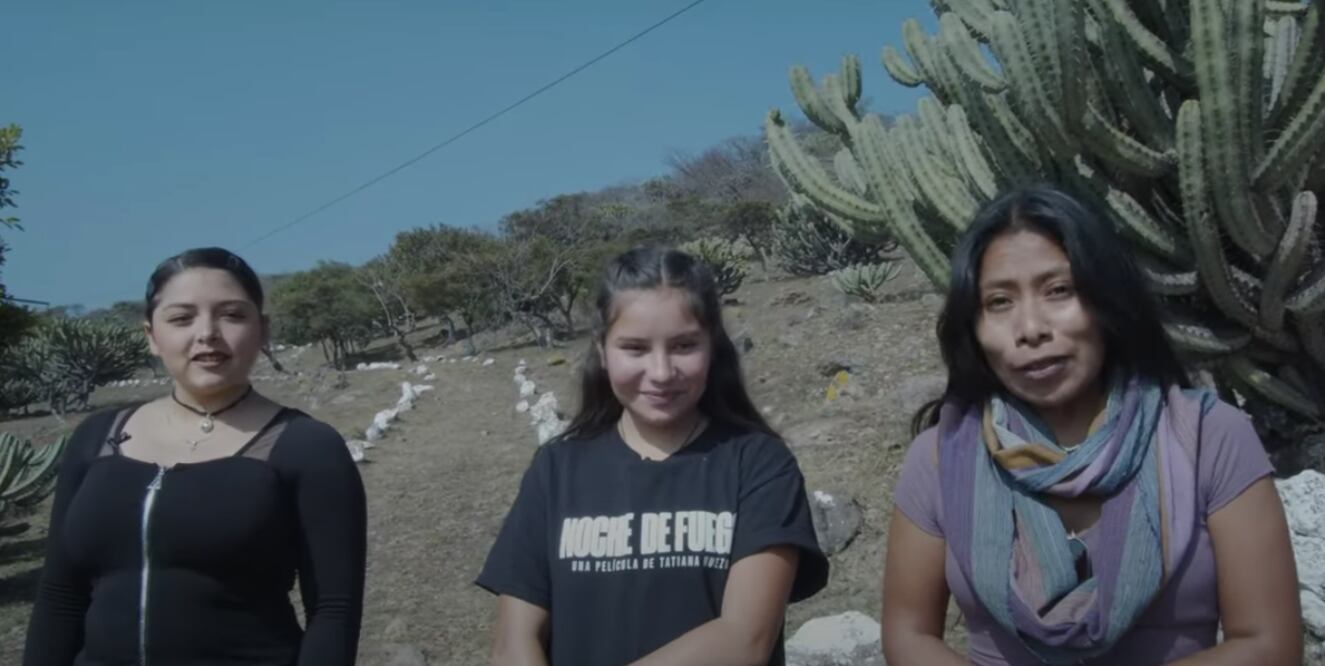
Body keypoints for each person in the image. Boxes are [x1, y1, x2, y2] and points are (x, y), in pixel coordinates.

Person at [880, 185, 1302, 665]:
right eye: (999, 302)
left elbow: (1269, 646)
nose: (1031, 328)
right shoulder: (941, 457)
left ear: (1107, 300)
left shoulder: (1210, 437)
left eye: (1059, 290)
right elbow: (909, 634)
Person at [477, 246, 829, 665]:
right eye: (635, 348)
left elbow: (745, 639)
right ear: (603, 350)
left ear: (712, 346)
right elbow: (515, 641)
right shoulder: (555, 471)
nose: (661, 372)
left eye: (683, 346)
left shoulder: (759, 464)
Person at [24, 247, 367, 666]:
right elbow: (60, 595)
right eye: (182, 318)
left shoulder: (307, 446)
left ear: (263, 330)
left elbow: (333, 612)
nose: (207, 333)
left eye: (233, 315)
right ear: (151, 335)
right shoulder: (98, 438)